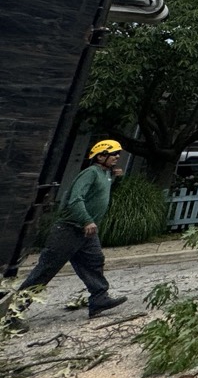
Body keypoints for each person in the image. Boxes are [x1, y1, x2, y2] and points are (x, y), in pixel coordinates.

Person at [1, 139, 129, 333]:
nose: (117, 157)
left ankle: (99, 298)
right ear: (101, 156)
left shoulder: (106, 174)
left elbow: (102, 196)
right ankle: (11, 314)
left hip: (86, 233)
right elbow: (75, 199)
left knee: (94, 262)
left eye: (118, 154)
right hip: (69, 229)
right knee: (45, 270)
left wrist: (115, 178)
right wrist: (86, 220)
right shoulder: (90, 173)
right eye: (114, 154)